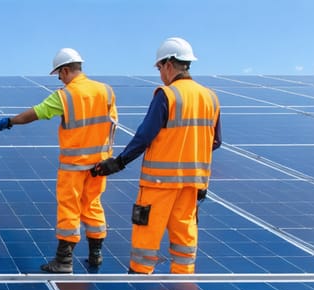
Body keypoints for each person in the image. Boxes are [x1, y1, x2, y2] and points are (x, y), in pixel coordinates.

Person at [92, 37, 221, 274]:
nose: (160, 73)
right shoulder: (210, 98)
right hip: (192, 184)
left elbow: (144, 136)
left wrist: (118, 162)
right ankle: (183, 279)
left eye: (160, 68)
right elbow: (215, 142)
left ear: (169, 64)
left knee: (146, 231)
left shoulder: (167, 95)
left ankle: (139, 276)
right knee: (184, 233)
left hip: (159, 184)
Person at [0, 48, 118, 273]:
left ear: (66, 70)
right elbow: (112, 125)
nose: (60, 79)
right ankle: (95, 254)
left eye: (59, 74)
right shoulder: (106, 91)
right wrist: (107, 158)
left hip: (74, 166)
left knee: (69, 208)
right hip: (100, 165)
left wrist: (11, 121)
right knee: (93, 205)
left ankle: (64, 261)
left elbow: (36, 113)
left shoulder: (66, 95)